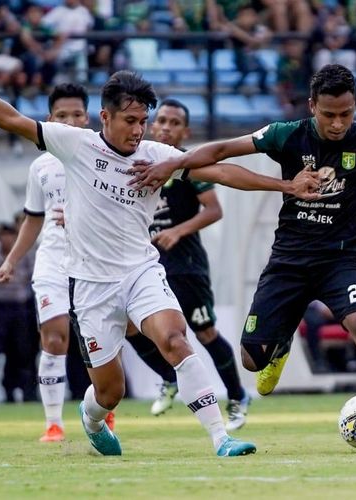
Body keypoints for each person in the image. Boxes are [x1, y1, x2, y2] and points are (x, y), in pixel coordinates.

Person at [0, 56, 320, 457]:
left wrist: (285, 185)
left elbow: (220, 172)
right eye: (129, 120)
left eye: (143, 121)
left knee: (175, 339)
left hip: (140, 272)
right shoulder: (75, 144)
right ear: (104, 117)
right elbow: (10, 119)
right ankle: (91, 417)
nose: (138, 130)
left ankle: (221, 438)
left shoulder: (157, 154)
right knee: (110, 391)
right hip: (92, 286)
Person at [129, 64, 356, 452]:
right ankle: (280, 345)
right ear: (311, 106)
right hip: (288, 261)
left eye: (346, 113)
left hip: (340, 261)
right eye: (329, 115)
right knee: (252, 360)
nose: (338, 123)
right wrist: (175, 161)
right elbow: (223, 151)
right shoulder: (286, 135)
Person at [0, 83, 114, 442]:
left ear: (89, 117)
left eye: (77, 114)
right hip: (53, 262)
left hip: (96, 261)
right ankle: (53, 423)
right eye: (62, 115)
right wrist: (12, 259)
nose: (71, 121)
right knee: (55, 337)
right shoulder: (42, 166)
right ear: (50, 120)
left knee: (101, 341)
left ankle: (105, 410)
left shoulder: (105, 156)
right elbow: (34, 217)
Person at [124, 99, 250, 430]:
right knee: (130, 326)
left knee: (203, 330)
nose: (166, 127)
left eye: (174, 123)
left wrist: (177, 231)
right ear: (152, 125)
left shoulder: (189, 166)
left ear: (185, 131)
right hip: (146, 264)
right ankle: (169, 378)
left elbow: (213, 210)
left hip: (186, 265)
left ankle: (237, 396)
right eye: (161, 120)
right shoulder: (136, 161)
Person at [0, 222, 34, 403]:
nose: (6, 238)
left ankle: (20, 391)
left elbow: (30, 280)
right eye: (3, 235)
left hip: (19, 309)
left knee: (20, 352)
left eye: (10, 235)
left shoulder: (24, 257)